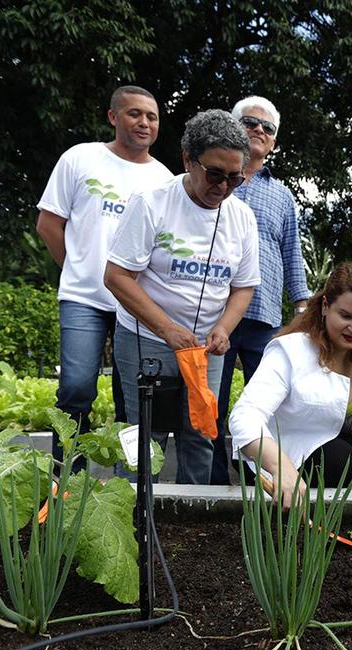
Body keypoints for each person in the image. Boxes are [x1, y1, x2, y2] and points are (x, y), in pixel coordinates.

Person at [104, 110, 261, 485]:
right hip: (149, 339)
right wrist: (168, 329)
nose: (224, 187)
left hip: (206, 349)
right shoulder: (151, 203)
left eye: (235, 178)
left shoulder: (241, 217)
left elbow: (243, 287)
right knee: (144, 434)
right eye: (215, 174)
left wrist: (224, 328)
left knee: (201, 433)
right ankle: (135, 514)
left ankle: (193, 521)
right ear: (188, 160)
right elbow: (117, 277)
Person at [36, 85, 172, 464]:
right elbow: (48, 225)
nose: (144, 122)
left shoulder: (164, 179)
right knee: (76, 389)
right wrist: (79, 269)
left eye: (152, 116)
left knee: (135, 399)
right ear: (113, 117)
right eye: (135, 114)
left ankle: (130, 487)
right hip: (84, 299)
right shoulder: (80, 159)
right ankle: (68, 478)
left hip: (137, 305)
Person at [209, 95, 312, 484]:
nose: (259, 130)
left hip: (265, 316)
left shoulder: (282, 195)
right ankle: (213, 485)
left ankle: (262, 484)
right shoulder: (213, 179)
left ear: (273, 142)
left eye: (268, 128)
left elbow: (291, 254)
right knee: (211, 406)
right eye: (251, 122)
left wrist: (303, 310)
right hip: (214, 314)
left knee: (267, 407)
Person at [229, 262, 352, 508]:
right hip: (268, 458)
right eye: (345, 316)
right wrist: (280, 467)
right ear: (325, 306)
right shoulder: (291, 351)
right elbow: (243, 417)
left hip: (319, 444)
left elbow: (336, 404)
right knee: (339, 459)